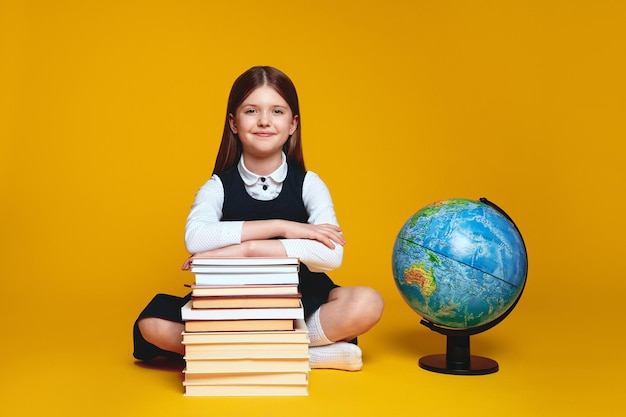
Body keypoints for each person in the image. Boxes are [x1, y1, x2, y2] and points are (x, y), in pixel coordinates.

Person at [133, 66, 384, 371]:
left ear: (292, 124)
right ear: (233, 123)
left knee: (368, 302)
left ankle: (259, 352)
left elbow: (331, 255)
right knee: (152, 324)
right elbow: (195, 238)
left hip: (299, 301)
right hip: (231, 307)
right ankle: (307, 354)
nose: (264, 121)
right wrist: (283, 228)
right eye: (251, 110)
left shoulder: (309, 183)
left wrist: (247, 249)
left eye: (276, 111)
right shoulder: (217, 187)